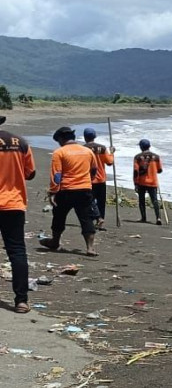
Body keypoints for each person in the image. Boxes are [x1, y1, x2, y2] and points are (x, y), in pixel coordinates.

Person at [40, 126, 99, 257]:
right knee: (86, 218)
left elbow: (56, 175)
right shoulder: (87, 151)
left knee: (59, 216)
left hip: (66, 190)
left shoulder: (59, 152)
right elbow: (94, 169)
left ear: (61, 139)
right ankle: (90, 248)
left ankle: (55, 241)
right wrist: (89, 181)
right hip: (84, 189)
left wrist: (53, 192)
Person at [0, 116, 37, 312]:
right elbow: (30, 173)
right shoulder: (20, 142)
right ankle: (21, 300)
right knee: (17, 251)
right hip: (13, 203)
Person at [82, 126, 114, 230]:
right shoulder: (102, 148)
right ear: (94, 136)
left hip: (88, 179)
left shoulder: (83, 149)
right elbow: (109, 162)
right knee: (101, 202)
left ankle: (91, 220)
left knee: (89, 201)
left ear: (85, 137)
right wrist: (112, 153)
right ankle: (100, 221)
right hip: (101, 179)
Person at [133, 139, 164, 224]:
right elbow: (160, 170)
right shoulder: (156, 157)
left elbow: (136, 171)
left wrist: (135, 183)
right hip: (153, 181)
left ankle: (143, 218)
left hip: (141, 182)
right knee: (154, 200)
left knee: (141, 200)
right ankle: (158, 218)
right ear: (149, 146)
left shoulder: (137, 157)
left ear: (141, 147)